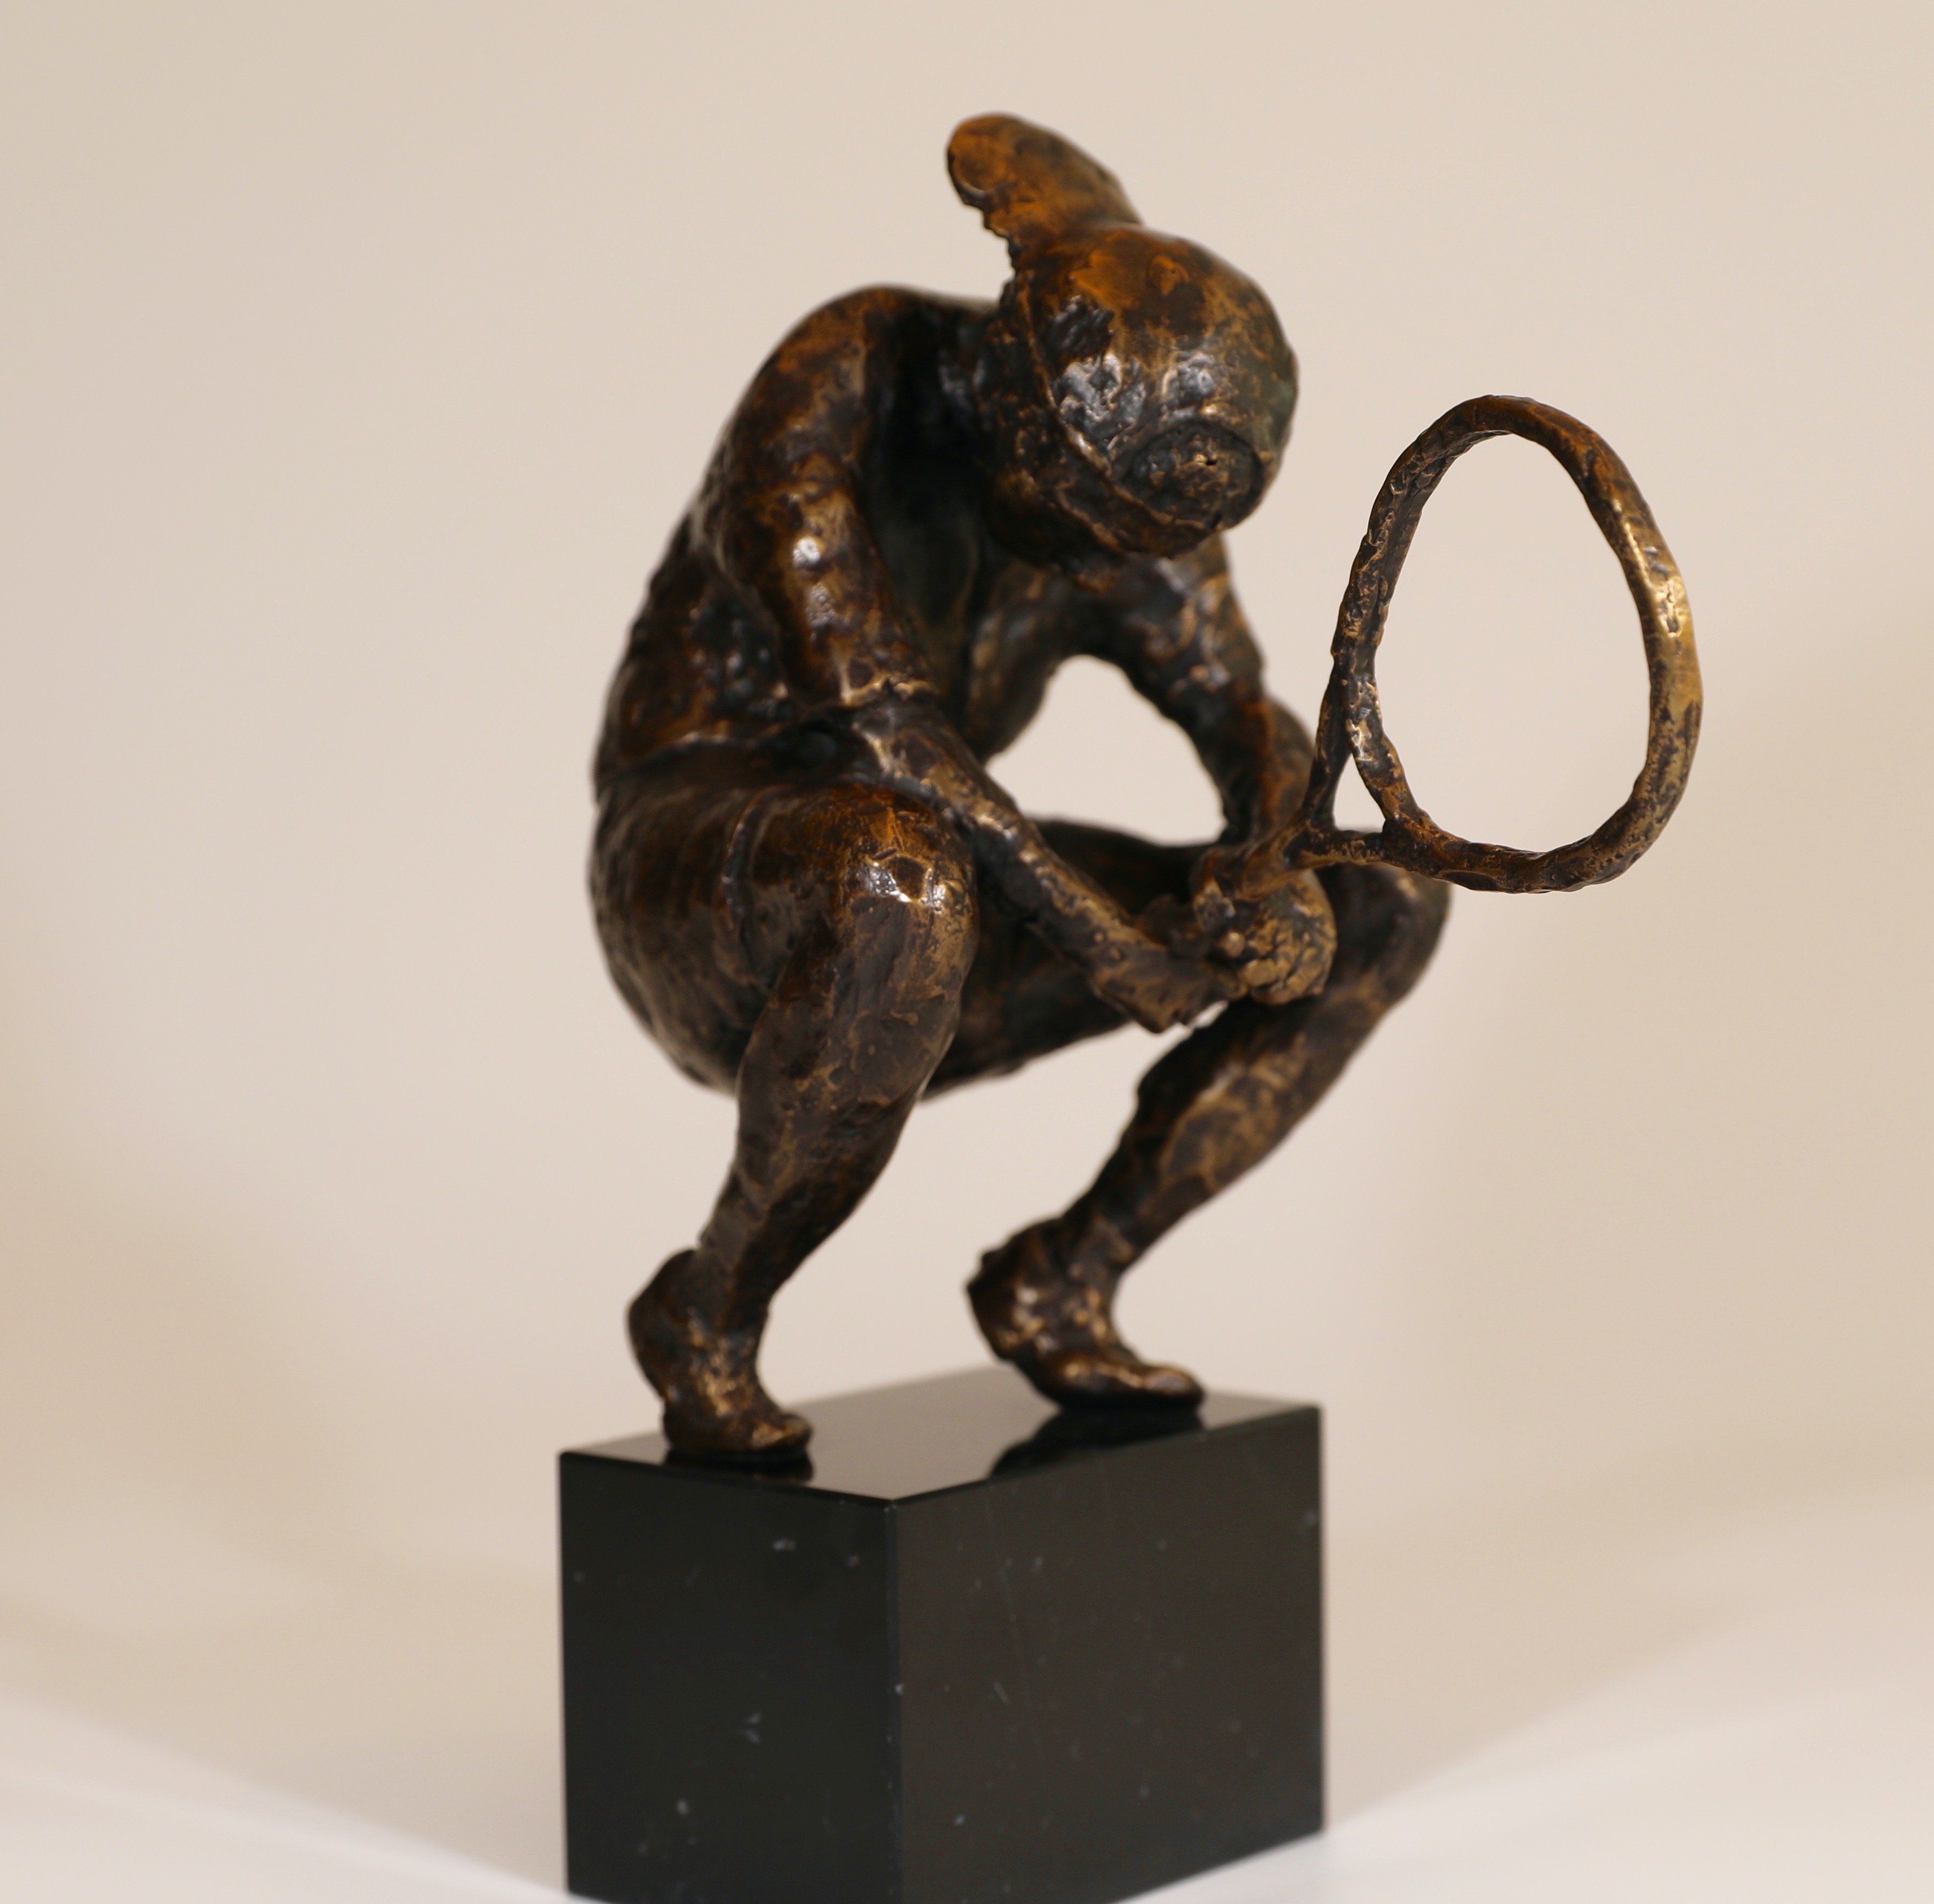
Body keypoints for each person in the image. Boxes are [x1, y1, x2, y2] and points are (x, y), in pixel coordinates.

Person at [591, 114, 1448, 1455]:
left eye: (1137, 550)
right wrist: (1105, 939)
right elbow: (884, 726)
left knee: (1381, 905)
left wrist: (1272, 864)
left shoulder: (1130, 472)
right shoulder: (845, 382)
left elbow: (1233, 702)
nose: (1109, 576)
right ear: (1012, 417)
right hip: (704, 880)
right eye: (1089, 539)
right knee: (897, 876)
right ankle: (709, 1309)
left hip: (939, 877)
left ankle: (1065, 1274)